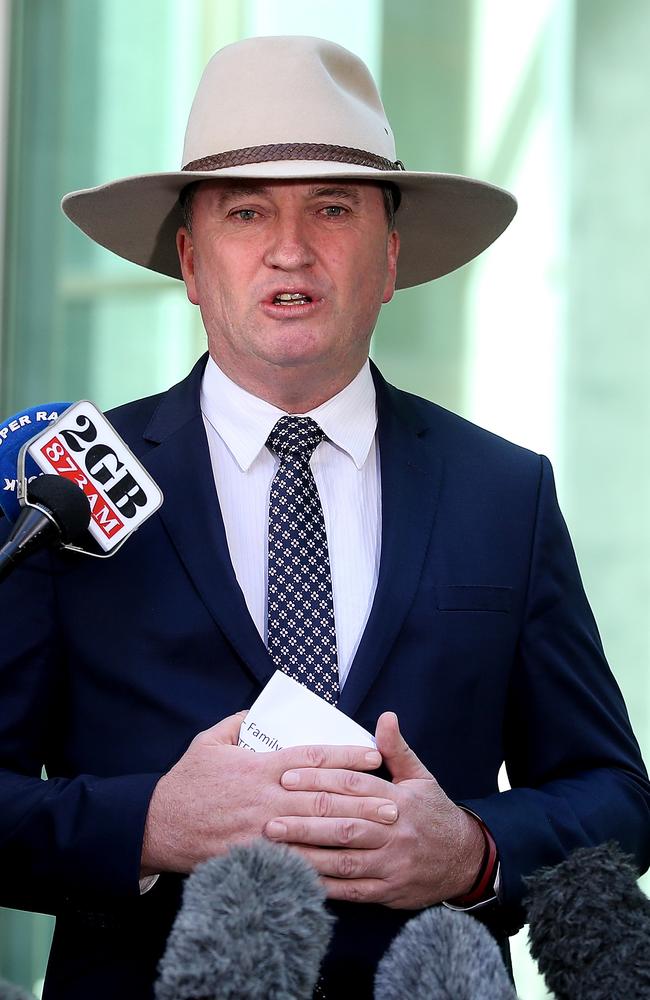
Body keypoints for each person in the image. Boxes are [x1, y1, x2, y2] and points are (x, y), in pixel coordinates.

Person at [1, 35, 649, 1000]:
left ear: (390, 259)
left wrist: (474, 852)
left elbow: (615, 798)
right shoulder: (60, 487)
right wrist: (149, 826)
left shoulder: (504, 492)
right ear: (189, 258)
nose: (290, 249)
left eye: (333, 210)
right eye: (246, 212)